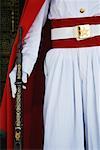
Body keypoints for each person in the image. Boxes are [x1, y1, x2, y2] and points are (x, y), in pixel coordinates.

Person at [0, 0, 100, 149]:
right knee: (61, 131)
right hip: (62, 62)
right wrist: (24, 67)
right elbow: (35, 20)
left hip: (97, 57)